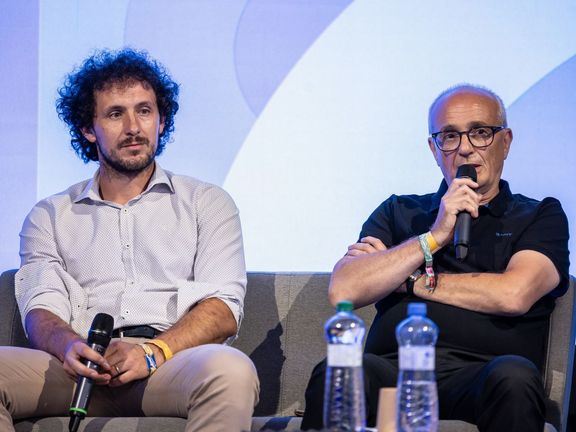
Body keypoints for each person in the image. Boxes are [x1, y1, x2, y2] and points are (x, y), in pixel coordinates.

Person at [0, 48, 259, 432]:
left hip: (168, 365)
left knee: (231, 370)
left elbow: (222, 308)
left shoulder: (207, 203)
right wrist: (70, 345)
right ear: (89, 129)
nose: (134, 127)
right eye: (116, 114)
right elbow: (41, 308)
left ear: (161, 120)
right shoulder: (51, 215)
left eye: (144, 110)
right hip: (77, 368)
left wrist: (153, 353)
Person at [301, 84, 570, 431]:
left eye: (481, 133)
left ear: (506, 141)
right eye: (449, 136)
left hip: (485, 375)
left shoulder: (539, 216)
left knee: (514, 377)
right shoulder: (399, 211)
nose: (465, 149)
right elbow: (345, 290)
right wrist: (434, 237)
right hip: (393, 371)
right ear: (434, 148)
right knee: (342, 371)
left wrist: (409, 280)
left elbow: (513, 294)